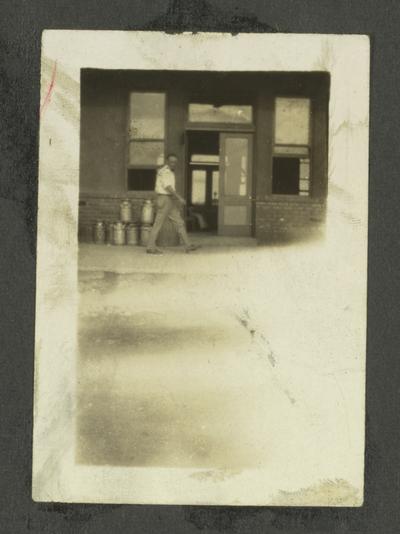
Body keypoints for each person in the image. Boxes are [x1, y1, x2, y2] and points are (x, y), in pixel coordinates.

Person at [146, 153, 200, 255]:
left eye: (175, 162)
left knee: (179, 222)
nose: (173, 164)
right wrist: (179, 198)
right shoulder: (165, 172)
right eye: (171, 161)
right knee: (158, 224)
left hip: (169, 200)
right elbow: (168, 187)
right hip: (164, 198)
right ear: (167, 162)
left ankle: (188, 245)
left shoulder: (169, 172)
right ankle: (150, 247)